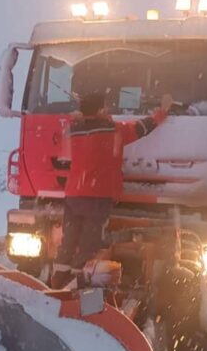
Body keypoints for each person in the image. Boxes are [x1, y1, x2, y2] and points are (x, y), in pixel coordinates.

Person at [50, 91, 173, 288]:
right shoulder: (112, 130)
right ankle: (74, 288)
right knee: (89, 246)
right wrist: (162, 111)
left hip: (74, 193)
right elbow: (142, 127)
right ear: (100, 109)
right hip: (98, 195)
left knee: (69, 241)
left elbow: (64, 159)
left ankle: (57, 282)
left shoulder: (72, 130)